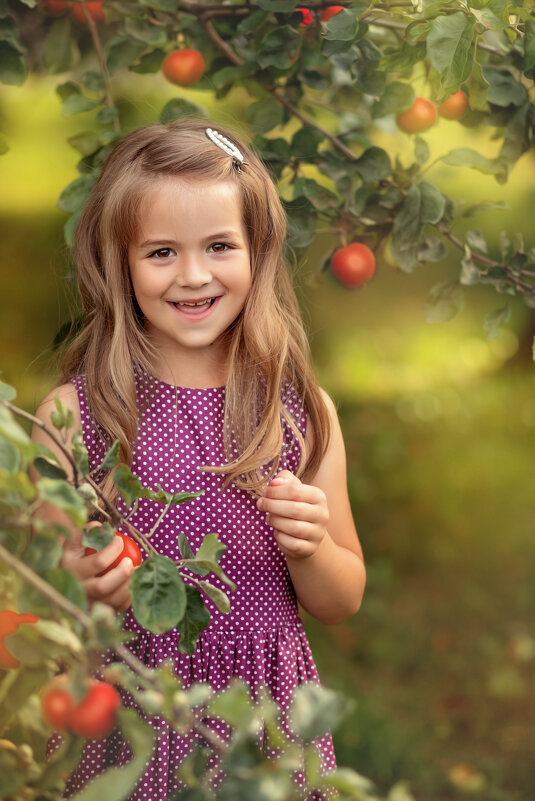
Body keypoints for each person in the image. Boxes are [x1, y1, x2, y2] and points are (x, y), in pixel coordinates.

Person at [32, 118, 366, 799]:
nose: (192, 275)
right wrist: (78, 581)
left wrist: (309, 548)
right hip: (124, 721)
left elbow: (340, 598)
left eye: (218, 245)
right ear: (118, 261)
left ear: (258, 251)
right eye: (160, 252)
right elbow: (34, 605)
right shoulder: (77, 416)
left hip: (262, 729)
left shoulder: (298, 409)